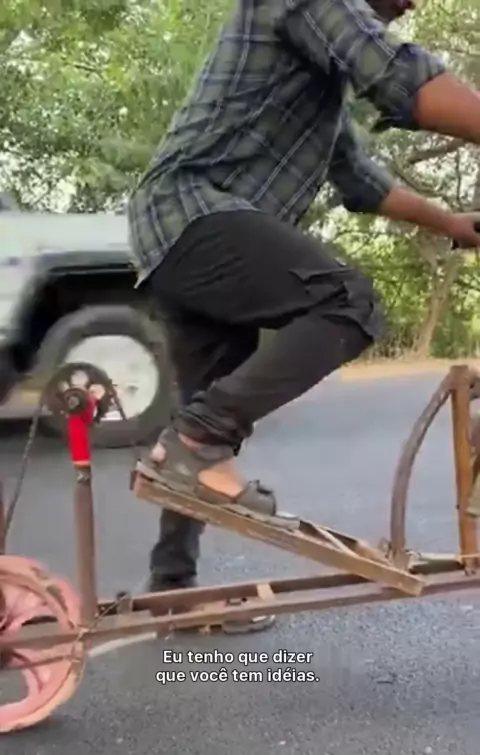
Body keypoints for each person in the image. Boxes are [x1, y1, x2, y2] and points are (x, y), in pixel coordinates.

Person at [127, 0, 480, 632]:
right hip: (194, 216)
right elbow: (396, 75)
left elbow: (360, 180)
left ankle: (172, 587)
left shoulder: (320, 79)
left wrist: (451, 222)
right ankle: (195, 442)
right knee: (347, 302)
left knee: (204, 420)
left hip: (186, 237)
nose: (414, 4)